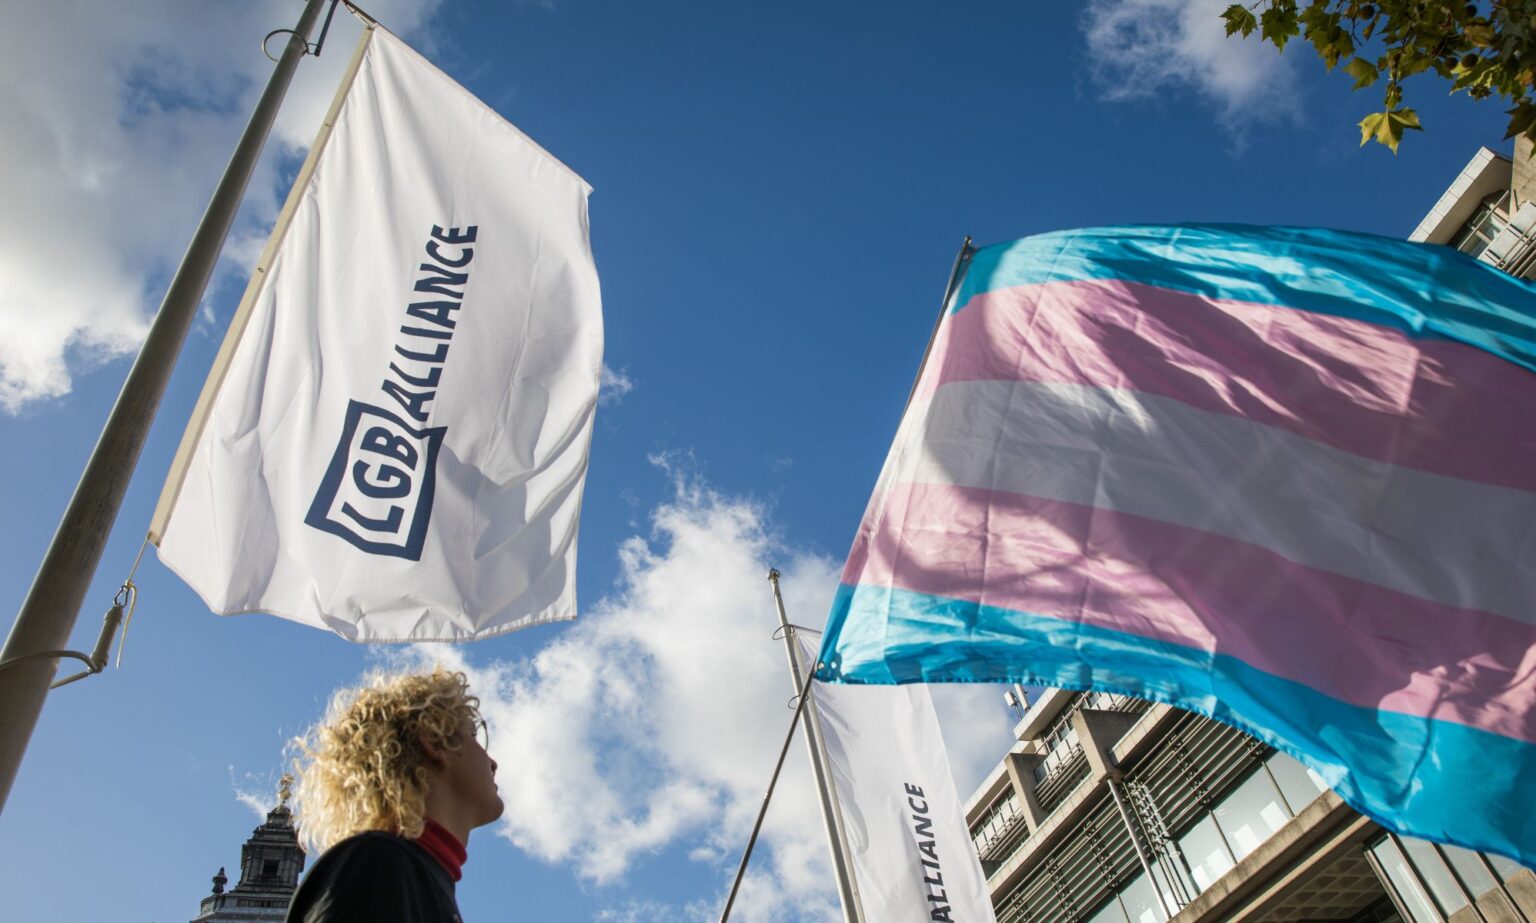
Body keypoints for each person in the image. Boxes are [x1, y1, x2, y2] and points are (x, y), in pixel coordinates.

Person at [285, 668, 503, 923]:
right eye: (475, 735)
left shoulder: (417, 874)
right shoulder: (379, 865)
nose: (493, 762)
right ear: (434, 742)